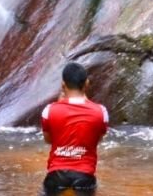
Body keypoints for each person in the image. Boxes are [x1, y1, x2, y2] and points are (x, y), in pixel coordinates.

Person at [40, 62, 110, 193]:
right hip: (84, 176)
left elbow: (49, 140)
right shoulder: (101, 112)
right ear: (87, 83)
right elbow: (98, 139)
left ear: (63, 85)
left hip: (56, 175)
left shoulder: (48, 111)